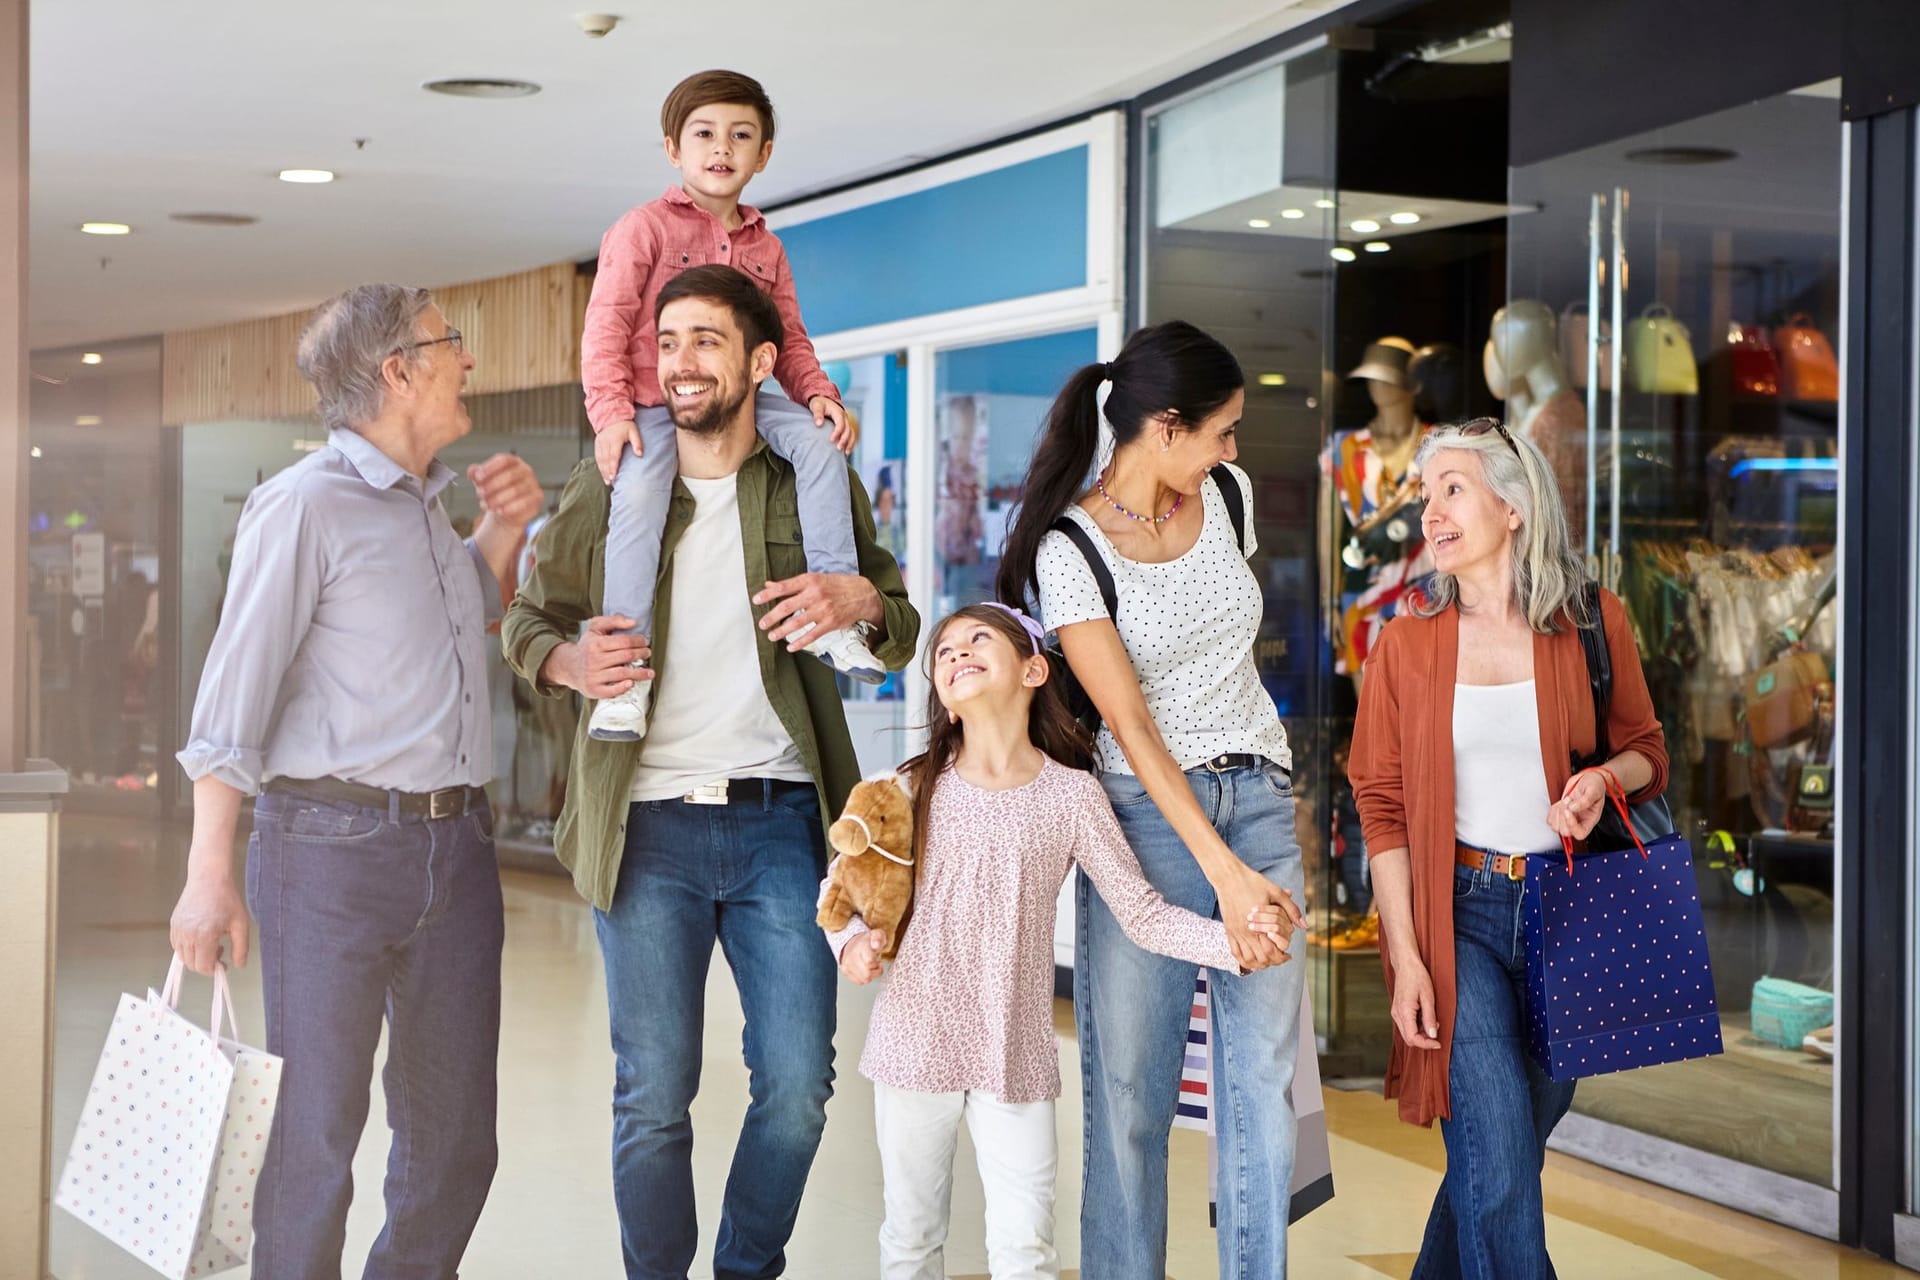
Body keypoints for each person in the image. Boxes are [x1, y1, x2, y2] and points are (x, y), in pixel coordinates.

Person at [502, 263, 919, 1280]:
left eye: (705, 341)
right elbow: (525, 624)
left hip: (783, 818)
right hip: (645, 824)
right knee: (653, 1092)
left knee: (798, 1084)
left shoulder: (807, 476)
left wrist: (853, 600)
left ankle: (743, 1268)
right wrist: (567, 659)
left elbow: (899, 623)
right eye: (669, 340)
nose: (680, 363)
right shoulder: (613, 475)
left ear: (760, 361)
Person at [167, 284, 545, 1279]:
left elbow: (455, 624)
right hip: (328, 853)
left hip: (457, 853)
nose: (467, 361)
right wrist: (209, 872)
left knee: (458, 1141)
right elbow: (230, 701)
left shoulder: (428, 509)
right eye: (449, 344)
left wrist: (500, 536)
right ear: (399, 370)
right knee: (313, 1143)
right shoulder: (302, 505)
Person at [825, 603, 1289, 1280]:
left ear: (1034, 669)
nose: (957, 653)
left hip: (1013, 1053)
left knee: (1026, 1252)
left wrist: (1234, 945)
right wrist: (854, 943)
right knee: (910, 1241)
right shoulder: (907, 788)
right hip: (912, 1045)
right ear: (944, 702)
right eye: (944, 652)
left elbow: (1144, 913)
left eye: (978, 638)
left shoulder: (1072, 796)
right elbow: (837, 892)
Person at [996, 319, 1307, 1279]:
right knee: (1132, 1091)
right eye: (1221, 431)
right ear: (1164, 428)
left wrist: (1249, 853)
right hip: (1143, 826)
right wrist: (1226, 874)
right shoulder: (1069, 551)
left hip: (1257, 790)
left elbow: (1227, 653)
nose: (1233, 450)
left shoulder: (1230, 496)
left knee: (1261, 1083)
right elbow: (1131, 725)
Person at [1347, 418, 1669, 1279]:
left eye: (1452, 489)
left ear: (1514, 505)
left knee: (1501, 1159)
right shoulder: (1407, 643)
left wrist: (1604, 780)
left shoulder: (1592, 620)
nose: (1432, 514)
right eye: (1426, 496)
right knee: (1495, 1158)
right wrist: (1407, 958)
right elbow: (1380, 808)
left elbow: (1648, 749)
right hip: (1461, 920)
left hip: (1570, 911)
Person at [581, 68, 880, 744]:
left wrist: (819, 396)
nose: (722, 148)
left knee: (817, 443)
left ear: (763, 154)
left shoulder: (766, 248)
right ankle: (625, 684)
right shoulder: (642, 229)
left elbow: (790, 336)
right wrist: (611, 414)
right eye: (705, 134)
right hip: (657, 405)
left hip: (748, 398)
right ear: (673, 149)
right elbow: (605, 323)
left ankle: (838, 621)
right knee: (636, 498)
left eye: (740, 136)